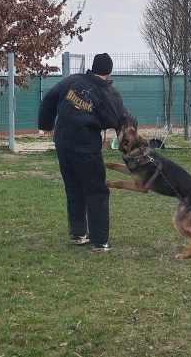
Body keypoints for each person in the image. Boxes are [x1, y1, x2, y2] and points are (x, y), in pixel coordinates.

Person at [38, 53, 130, 253]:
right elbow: (120, 119)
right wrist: (133, 139)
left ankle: (78, 234)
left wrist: (46, 124)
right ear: (109, 72)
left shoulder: (72, 81)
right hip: (86, 148)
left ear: (93, 68)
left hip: (62, 143)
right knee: (96, 191)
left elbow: (49, 98)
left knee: (73, 188)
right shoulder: (108, 94)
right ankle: (99, 242)